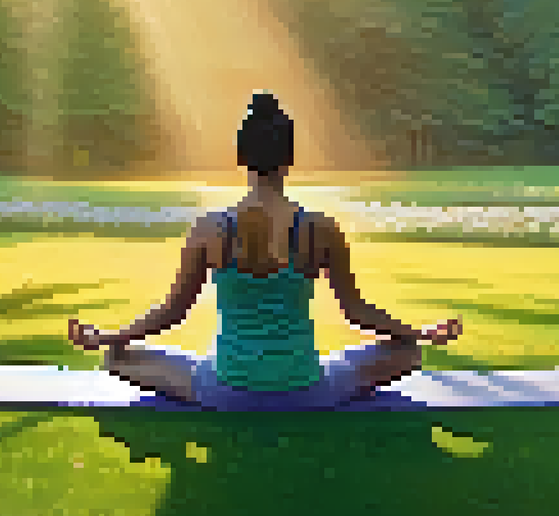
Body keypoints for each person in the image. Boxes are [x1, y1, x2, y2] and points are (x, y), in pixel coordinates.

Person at [68, 91, 462, 409]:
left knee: (116, 358)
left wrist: (109, 337)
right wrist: (421, 333)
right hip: (307, 390)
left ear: (241, 158)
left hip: (225, 391)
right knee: (409, 353)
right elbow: (356, 312)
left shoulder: (209, 228)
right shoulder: (321, 228)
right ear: (289, 158)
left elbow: (172, 313)